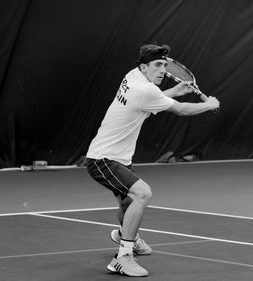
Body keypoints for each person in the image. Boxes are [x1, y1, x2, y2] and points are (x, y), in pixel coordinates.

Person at [85, 44, 220, 277]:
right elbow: (181, 111)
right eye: (157, 65)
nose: (162, 71)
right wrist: (209, 105)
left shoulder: (132, 76)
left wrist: (173, 92)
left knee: (128, 202)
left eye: (165, 66)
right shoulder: (145, 90)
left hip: (117, 157)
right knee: (142, 193)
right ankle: (123, 257)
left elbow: (149, 100)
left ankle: (128, 237)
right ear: (144, 66)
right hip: (103, 159)